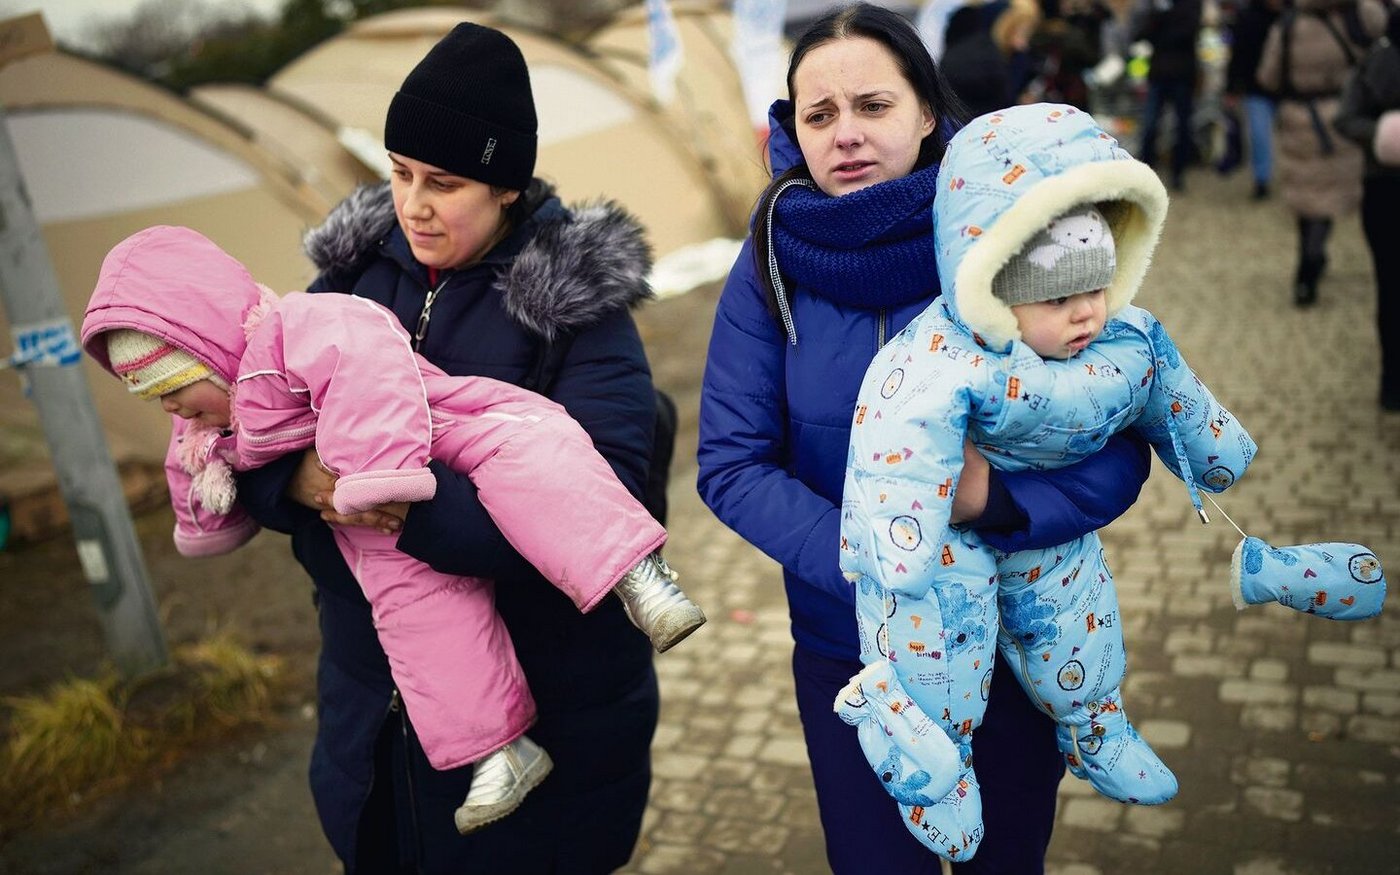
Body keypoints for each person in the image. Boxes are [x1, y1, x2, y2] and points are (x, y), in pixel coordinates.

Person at [831, 102, 1386, 863]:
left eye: (1095, 289)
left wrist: (1216, 453)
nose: (1086, 314)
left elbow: (1170, 389)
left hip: (1043, 530)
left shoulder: (1125, 340)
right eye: (1058, 299)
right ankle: (938, 769)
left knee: (1077, 615)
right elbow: (896, 444)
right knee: (937, 641)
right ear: (993, 289)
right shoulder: (941, 359)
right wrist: (902, 547)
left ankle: (1095, 724)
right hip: (946, 543)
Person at [696, 6, 1155, 874]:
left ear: (926, 114)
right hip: (853, 650)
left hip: (1012, 639)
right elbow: (731, 462)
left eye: (873, 105)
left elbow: (1121, 436)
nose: (846, 133)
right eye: (820, 114)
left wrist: (1000, 502)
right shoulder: (769, 260)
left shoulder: (1010, 234)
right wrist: (871, 561)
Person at [79, 225, 706, 835]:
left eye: (174, 386)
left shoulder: (305, 323)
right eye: (153, 395)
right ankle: (497, 749)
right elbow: (199, 464)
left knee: (533, 453)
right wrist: (240, 497)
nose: (170, 406)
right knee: (420, 620)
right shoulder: (336, 287)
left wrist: (377, 480)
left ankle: (637, 575)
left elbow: (365, 365)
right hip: (367, 534)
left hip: (443, 425)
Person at [231, 22, 667, 873]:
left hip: (549, 710)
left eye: (445, 182)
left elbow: (608, 503)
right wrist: (300, 479)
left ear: (507, 187)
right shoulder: (351, 277)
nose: (414, 203)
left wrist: (391, 499)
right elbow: (253, 428)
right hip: (372, 713)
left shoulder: (575, 307)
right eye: (400, 172)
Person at [1256, 0, 1387, 306]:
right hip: (1343, 116)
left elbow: (1268, 76)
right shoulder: (1360, 14)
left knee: (1307, 195)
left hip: (1298, 118)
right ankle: (1315, 254)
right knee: (1328, 194)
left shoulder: (1288, 25)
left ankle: (1308, 257)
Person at [1332, 0, 1400, 410]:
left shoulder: (1374, 61)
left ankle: (1392, 381)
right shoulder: (1377, 61)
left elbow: (1345, 118)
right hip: (1384, 188)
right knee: (1391, 286)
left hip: (1381, 189)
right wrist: (1387, 135)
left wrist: (1378, 135)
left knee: (1389, 287)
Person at [1133, 0, 1205, 191]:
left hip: (1182, 76)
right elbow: (1141, 33)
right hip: (1158, 74)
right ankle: (1146, 173)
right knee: (1149, 126)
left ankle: (1178, 173)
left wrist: (1162, 21)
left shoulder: (1190, 5)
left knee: (1182, 127)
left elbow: (1186, 32)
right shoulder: (1155, 5)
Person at [1224, 0, 1284, 200]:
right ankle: (1262, 179)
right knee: (1259, 137)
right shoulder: (1248, 18)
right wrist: (1232, 86)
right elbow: (1238, 54)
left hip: (1287, 89)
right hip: (1256, 88)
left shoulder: (1292, 17)